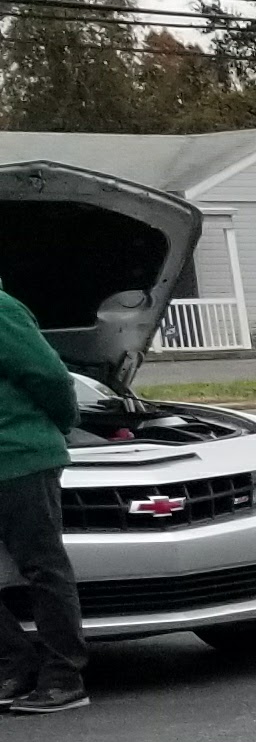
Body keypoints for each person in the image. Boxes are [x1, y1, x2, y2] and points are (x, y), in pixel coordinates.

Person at [0, 278, 90, 714]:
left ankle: (64, 677)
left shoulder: (2, 310)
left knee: (42, 567)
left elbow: (49, 376)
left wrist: (63, 423)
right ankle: (14, 667)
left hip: (19, 457)